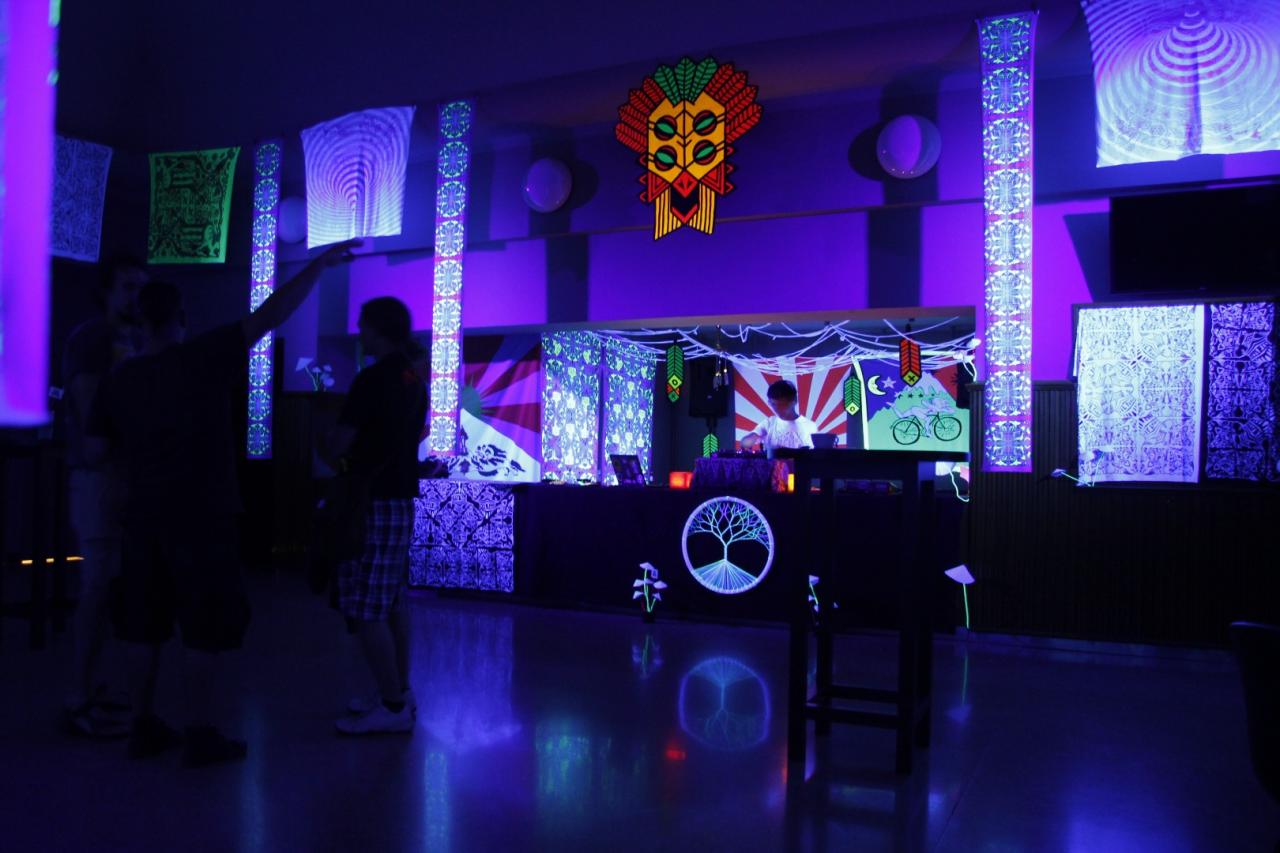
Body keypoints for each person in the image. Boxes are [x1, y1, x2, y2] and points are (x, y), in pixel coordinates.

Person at [85, 239, 361, 766]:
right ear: (181, 319)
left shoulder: (118, 381)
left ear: (141, 321)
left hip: (141, 519)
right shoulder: (202, 357)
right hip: (203, 516)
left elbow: (95, 451)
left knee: (142, 624)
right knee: (204, 626)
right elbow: (271, 313)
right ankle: (199, 733)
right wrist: (317, 266)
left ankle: (143, 726)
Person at [326, 297, 427, 736]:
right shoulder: (413, 379)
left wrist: (328, 444)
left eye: (363, 325)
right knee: (392, 602)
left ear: (378, 329)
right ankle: (398, 690)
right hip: (400, 497)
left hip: (371, 500)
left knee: (366, 607)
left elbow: (339, 444)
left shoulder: (372, 379)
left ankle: (392, 705)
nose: (359, 333)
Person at [61, 255, 148, 737]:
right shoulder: (94, 339)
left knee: (108, 586)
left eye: (140, 288)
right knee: (97, 587)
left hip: (118, 475)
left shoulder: (129, 340)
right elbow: (91, 413)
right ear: (107, 291)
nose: (136, 297)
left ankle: (91, 687)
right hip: (99, 475)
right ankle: (78, 694)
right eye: (128, 287)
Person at [739, 379, 817, 453]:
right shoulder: (769, 423)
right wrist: (751, 439)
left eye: (782, 405)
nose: (777, 409)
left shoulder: (810, 426)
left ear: (794, 401)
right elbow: (745, 443)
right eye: (773, 404)